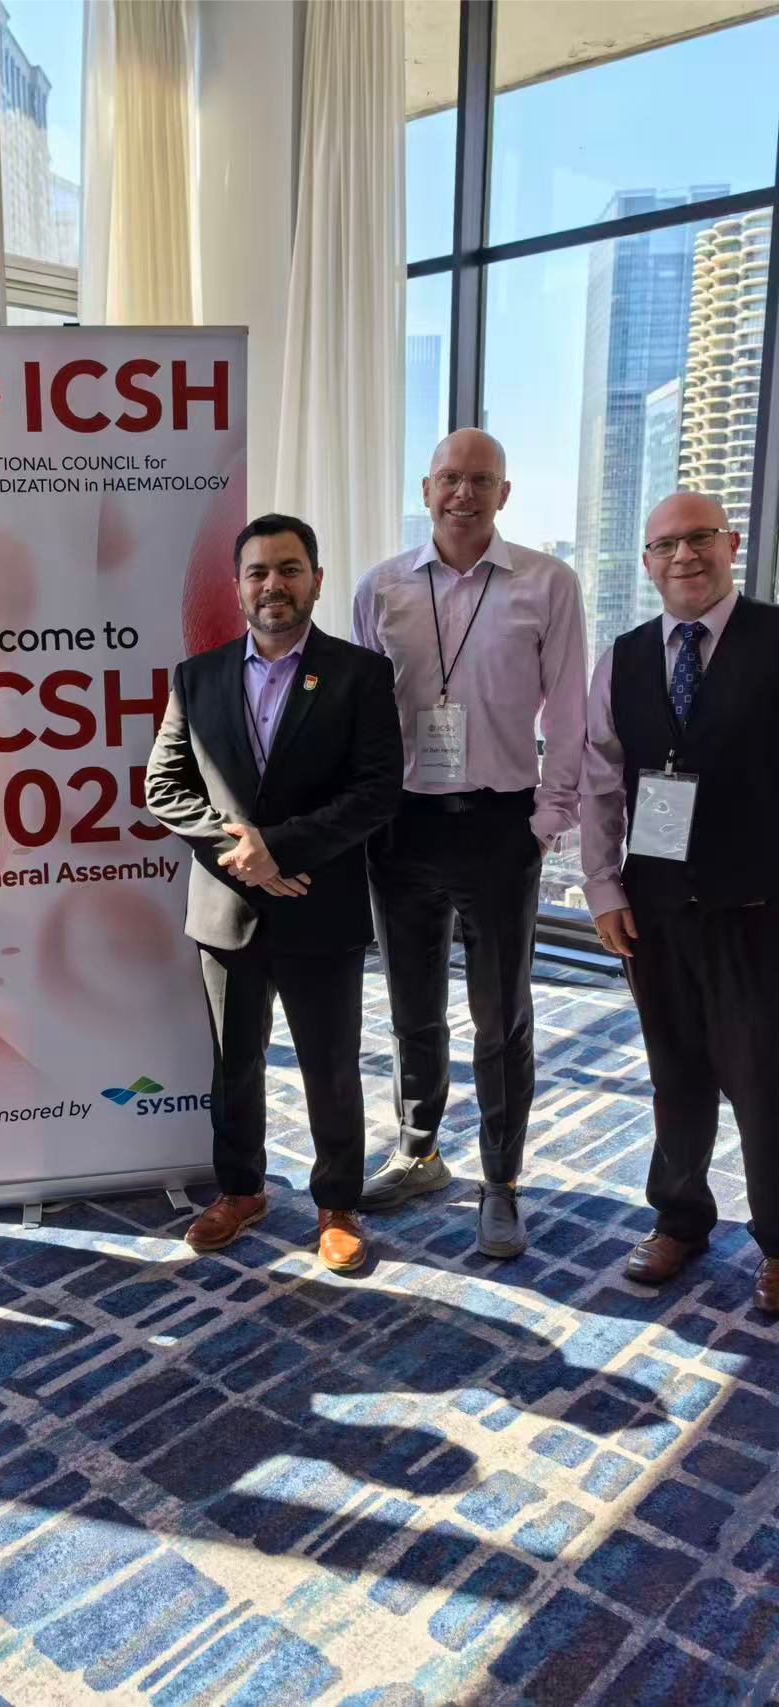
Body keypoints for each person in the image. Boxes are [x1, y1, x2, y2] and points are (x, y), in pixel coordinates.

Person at [146, 513, 402, 1271]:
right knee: (234, 1064)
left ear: (317, 581)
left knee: (330, 1063)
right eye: (258, 572)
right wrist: (245, 856)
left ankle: (337, 1203)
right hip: (227, 909)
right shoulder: (197, 677)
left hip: (320, 904)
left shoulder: (361, 675)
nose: (273, 585)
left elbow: (377, 791)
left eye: (289, 570)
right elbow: (165, 786)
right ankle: (241, 1189)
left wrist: (280, 849)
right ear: (237, 587)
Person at [352, 430, 586, 1258]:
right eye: (449, 478)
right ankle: (419, 1151)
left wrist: (547, 820)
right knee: (411, 1007)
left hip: (499, 825)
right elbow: (359, 717)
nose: (463, 493)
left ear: (503, 494)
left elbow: (569, 711)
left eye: (481, 480)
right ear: (426, 489)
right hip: (403, 826)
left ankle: (501, 1179)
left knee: (501, 1016)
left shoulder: (548, 584)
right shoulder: (381, 587)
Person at [582, 491, 778, 1316]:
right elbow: (599, 781)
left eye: (699, 538)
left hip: (758, 906)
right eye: (665, 545)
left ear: (731, 544)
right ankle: (679, 1218)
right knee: (675, 1072)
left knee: (765, 1079)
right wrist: (602, 887)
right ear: (647, 562)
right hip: (657, 908)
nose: (684, 556)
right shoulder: (622, 656)